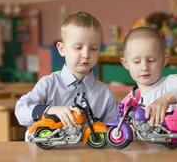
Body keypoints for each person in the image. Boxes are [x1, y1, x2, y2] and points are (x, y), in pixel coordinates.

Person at [15, 11, 117, 139]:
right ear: (62, 49)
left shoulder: (104, 93)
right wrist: (49, 110)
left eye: (94, 48)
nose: (86, 54)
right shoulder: (48, 84)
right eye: (78, 47)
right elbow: (21, 111)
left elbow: (113, 133)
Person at [120, 27, 177, 134]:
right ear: (125, 63)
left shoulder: (170, 84)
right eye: (136, 61)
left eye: (151, 60)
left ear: (164, 61)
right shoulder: (131, 99)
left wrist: (167, 98)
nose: (144, 67)